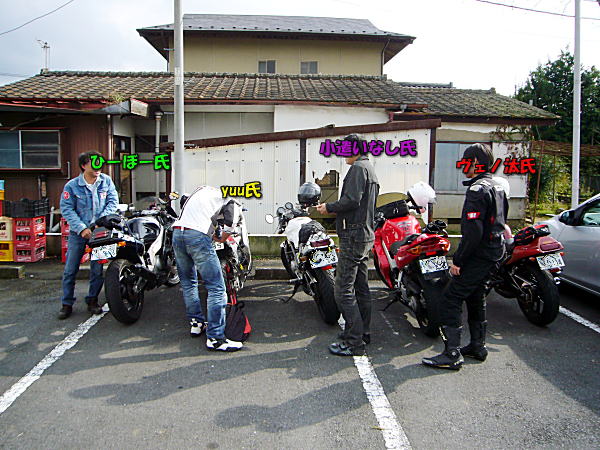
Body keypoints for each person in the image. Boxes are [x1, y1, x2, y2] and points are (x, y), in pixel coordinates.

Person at [422, 143, 508, 370]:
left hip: (479, 254)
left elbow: (473, 232)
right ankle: (478, 346)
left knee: (450, 298)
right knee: (476, 295)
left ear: (475, 163)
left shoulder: (477, 190)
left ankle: (452, 353)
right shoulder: (498, 186)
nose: (462, 166)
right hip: (495, 252)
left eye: (465, 161)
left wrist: (458, 260)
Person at [316, 133, 380, 356]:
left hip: (353, 235)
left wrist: (329, 207)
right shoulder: (369, 168)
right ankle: (363, 333)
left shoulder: (358, 169)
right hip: (365, 234)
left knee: (342, 289)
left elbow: (351, 200)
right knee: (361, 287)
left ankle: (354, 342)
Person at [172, 186, 243, 352]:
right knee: (216, 288)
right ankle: (216, 338)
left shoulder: (202, 192)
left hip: (177, 233)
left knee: (189, 282)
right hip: (197, 236)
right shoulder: (232, 201)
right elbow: (230, 225)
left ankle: (196, 323)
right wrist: (221, 238)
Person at [58, 151, 118, 319]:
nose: (98, 167)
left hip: (100, 232)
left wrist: (100, 222)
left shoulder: (106, 181)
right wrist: (82, 228)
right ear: (84, 165)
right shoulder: (71, 186)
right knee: (70, 270)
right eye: (94, 163)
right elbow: (67, 209)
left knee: (97, 269)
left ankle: (92, 300)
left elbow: (113, 202)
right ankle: (66, 304)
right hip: (78, 234)